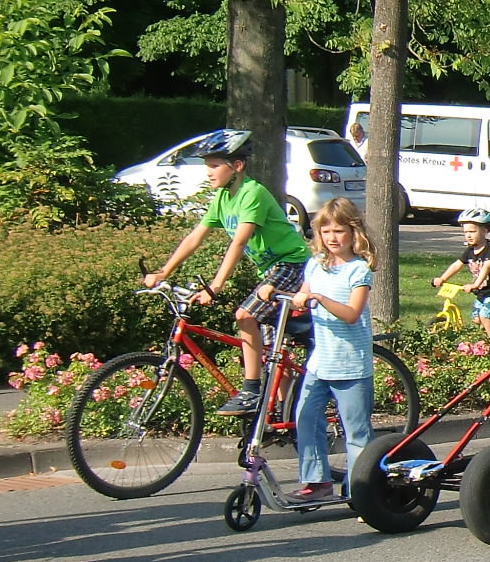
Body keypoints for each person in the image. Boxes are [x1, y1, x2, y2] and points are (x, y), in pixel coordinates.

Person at [143, 130, 313, 415]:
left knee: (244, 315)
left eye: (214, 166)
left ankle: (251, 391)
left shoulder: (252, 193)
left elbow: (239, 242)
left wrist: (216, 286)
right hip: (270, 271)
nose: (208, 172)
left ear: (237, 166)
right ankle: (284, 417)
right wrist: (163, 272)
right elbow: (194, 238)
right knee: (272, 352)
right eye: (206, 166)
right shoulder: (222, 198)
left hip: (292, 264)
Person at [286, 199, 376, 501]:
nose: (332, 238)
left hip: (350, 364)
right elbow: (301, 297)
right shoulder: (315, 265)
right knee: (306, 419)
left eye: (339, 231)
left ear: (353, 232)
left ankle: (361, 490)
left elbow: (352, 313)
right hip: (320, 363)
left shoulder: (358, 270)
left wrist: (320, 298)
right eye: (326, 232)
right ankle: (317, 482)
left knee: (357, 433)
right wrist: (276, 293)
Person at [431, 210, 490, 333]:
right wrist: (442, 279)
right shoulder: (470, 250)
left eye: (472, 232)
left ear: (485, 230)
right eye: (466, 232)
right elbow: (457, 265)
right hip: (482, 292)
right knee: (476, 319)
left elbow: (487, 268)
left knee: (484, 316)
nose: (468, 235)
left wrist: (475, 284)